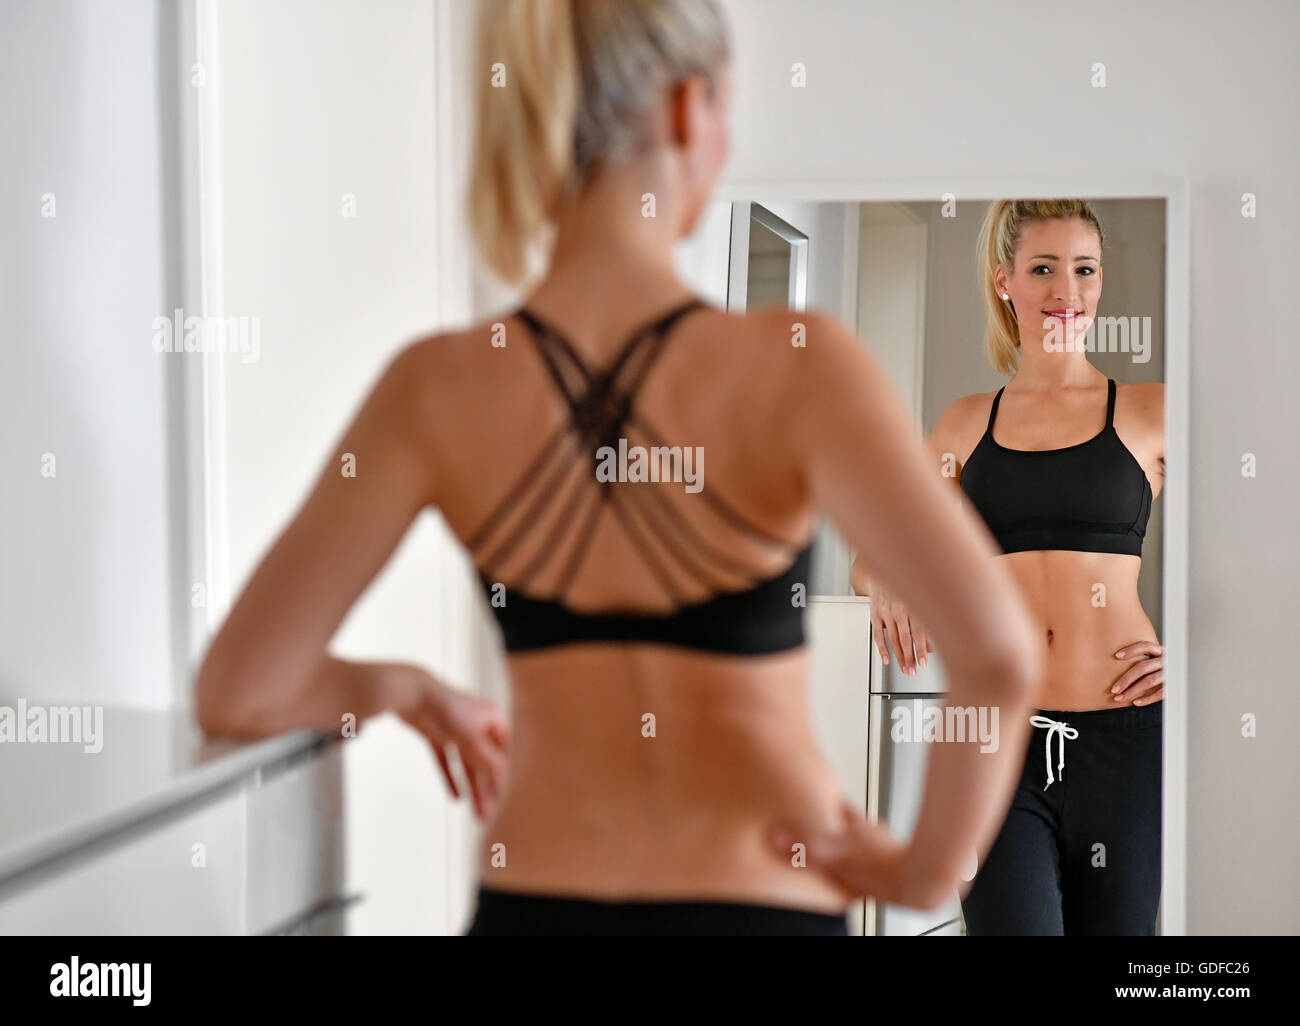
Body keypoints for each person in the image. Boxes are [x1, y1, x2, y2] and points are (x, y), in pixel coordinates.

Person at [197, 0, 1044, 937]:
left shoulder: (433, 387)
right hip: (760, 906)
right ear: (689, 112)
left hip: (539, 907)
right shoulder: (799, 363)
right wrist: (921, 871)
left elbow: (240, 689)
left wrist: (398, 688)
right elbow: (998, 653)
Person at [852, 199, 1165, 935]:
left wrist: (1200, 662)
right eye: (1044, 268)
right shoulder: (968, 423)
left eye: (1084, 269)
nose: (1067, 291)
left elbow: (1258, 548)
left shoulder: (1151, 412)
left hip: (1124, 741)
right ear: (1005, 282)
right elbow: (873, 555)